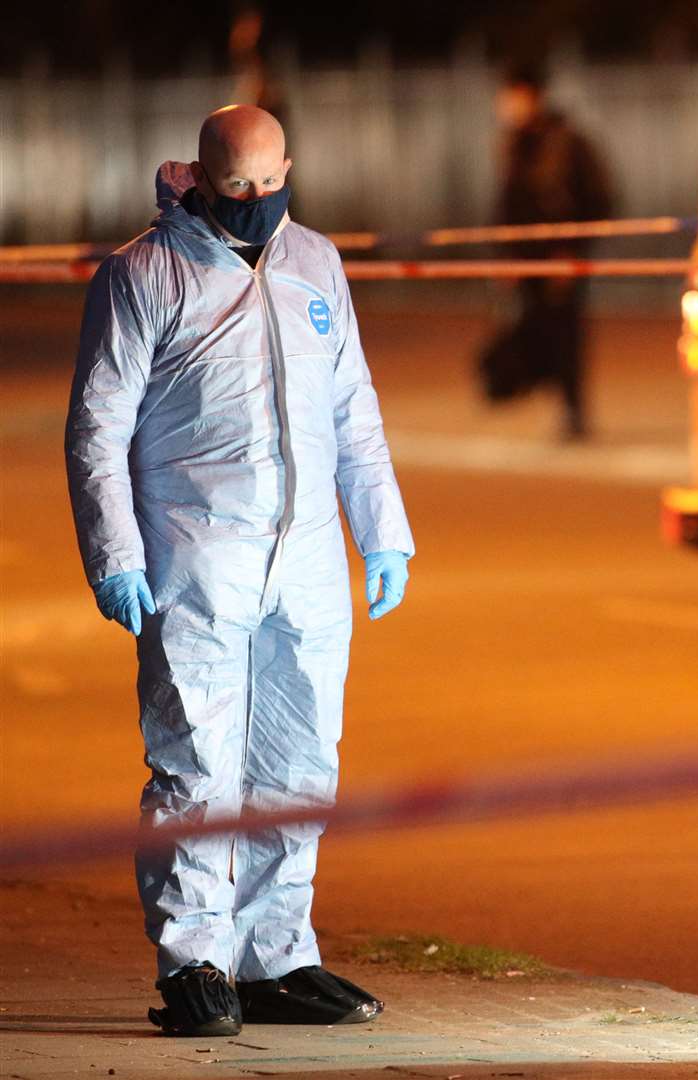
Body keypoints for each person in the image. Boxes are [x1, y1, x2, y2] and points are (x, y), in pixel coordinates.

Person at [65, 105, 414, 1038]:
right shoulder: (145, 275)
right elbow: (97, 428)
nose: (257, 203)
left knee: (298, 763)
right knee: (197, 765)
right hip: (195, 554)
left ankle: (277, 955)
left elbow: (353, 410)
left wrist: (382, 531)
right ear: (200, 177)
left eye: (270, 184)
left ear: (288, 168)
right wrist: (116, 555)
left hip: (304, 559)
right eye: (237, 189)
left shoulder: (316, 265)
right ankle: (196, 960)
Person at [479, 63, 617, 439]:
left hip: (561, 260)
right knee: (533, 331)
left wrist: (569, 252)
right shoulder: (511, 143)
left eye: (513, 95)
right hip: (523, 261)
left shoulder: (567, 142)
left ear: (533, 96)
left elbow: (598, 200)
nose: (506, 104)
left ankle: (573, 412)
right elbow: (507, 206)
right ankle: (539, 394)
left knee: (565, 335)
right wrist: (504, 258)